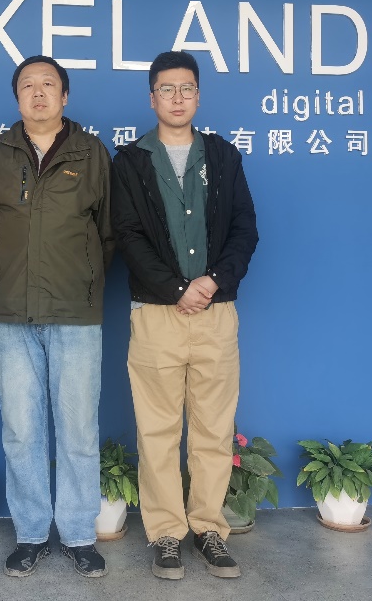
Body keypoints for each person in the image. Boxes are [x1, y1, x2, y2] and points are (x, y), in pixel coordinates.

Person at [110, 50, 258, 581]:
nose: (177, 98)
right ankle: (167, 535)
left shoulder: (223, 156)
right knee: (157, 431)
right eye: (167, 89)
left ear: (198, 95)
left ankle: (209, 529)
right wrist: (177, 288)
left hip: (217, 313)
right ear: (152, 98)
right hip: (156, 315)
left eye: (186, 88)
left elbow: (245, 229)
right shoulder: (130, 161)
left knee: (214, 430)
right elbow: (127, 235)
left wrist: (212, 282)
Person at [0, 55, 114, 579]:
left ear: (65, 96)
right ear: (17, 98)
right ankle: (31, 533)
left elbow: (107, 232)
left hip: (75, 312)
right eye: (27, 86)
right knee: (21, 430)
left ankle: (79, 534)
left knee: (78, 429)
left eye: (48, 85)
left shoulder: (91, 153)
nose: (38, 93)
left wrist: (83, 278)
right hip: (11, 312)